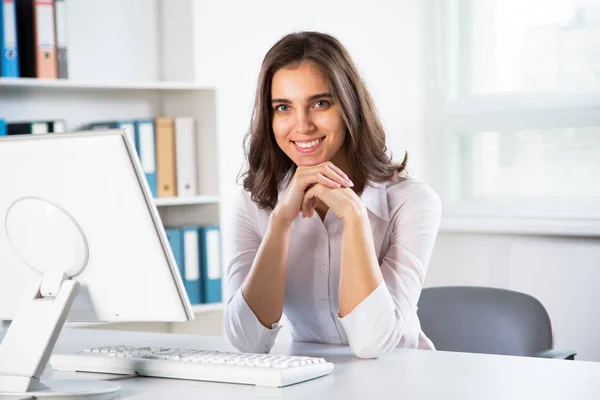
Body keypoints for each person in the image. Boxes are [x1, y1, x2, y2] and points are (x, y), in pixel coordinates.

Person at [224, 31, 441, 359]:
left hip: (402, 376)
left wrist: (354, 218)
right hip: (309, 381)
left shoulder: (412, 202)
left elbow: (373, 344)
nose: (302, 125)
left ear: (349, 106)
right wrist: (281, 222)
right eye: (283, 107)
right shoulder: (253, 205)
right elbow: (247, 344)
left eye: (320, 103)